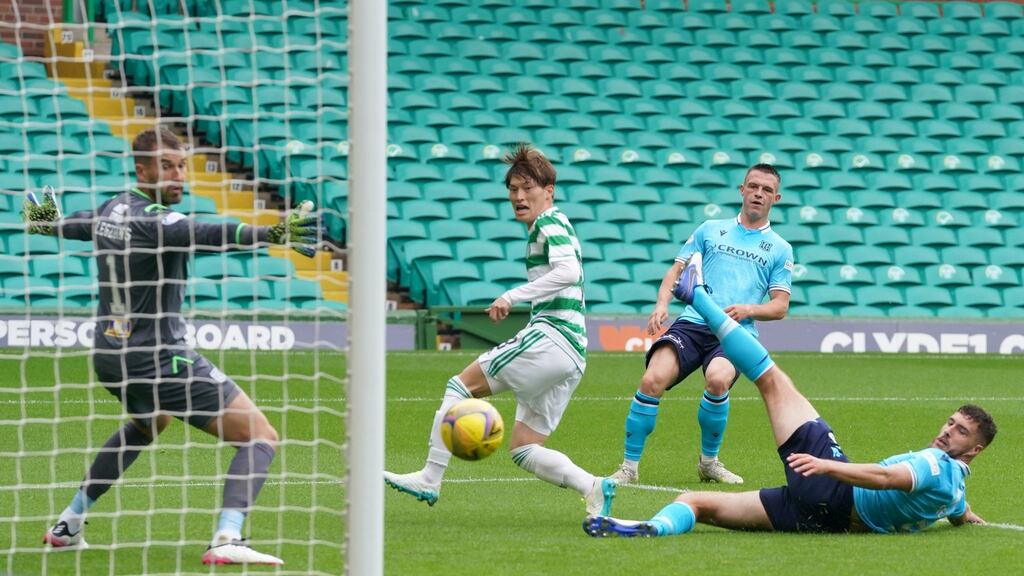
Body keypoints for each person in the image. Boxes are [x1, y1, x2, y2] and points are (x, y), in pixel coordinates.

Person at [23, 127, 319, 565]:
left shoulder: (112, 209)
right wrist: (275, 233)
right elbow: (210, 233)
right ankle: (227, 538)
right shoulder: (159, 221)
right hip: (161, 357)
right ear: (141, 169)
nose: (178, 175)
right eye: (166, 166)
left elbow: (69, 226)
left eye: (182, 166)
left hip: (109, 356)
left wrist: (45, 222)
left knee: (148, 425)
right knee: (260, 436)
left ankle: (68, 524)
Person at [585, 254, 996, 537]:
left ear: (973, 449)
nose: (946, 432)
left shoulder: (936, 466)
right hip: (821, 519)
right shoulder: (954, 488)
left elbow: (888, 477)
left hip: (832, 488)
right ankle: (653, 528)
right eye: (950, 422)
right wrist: (968, 517)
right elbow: (956, 508)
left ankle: (697, 295)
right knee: (696, 503)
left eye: (959, 432)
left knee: (770, 379)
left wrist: (827, 466)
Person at [384, 143, 616, 516]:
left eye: (528, 188)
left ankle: (430, 476)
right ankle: (593, 487)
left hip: (553, 337)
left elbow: (569, 271)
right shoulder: (555, 222)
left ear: (549, 191)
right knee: (525, 448)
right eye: (513, 189)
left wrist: (513, 294)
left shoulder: (548, 221)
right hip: (573, 353)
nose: (519, 196)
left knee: (459, 387)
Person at [610, 163, 793, 486]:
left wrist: (749, 309)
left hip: (735, 332)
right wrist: (661, 304)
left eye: (766, 190)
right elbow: (677, 271)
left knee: (718, 380)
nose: (758, 194)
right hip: (693, 323)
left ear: (775, 198)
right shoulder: (710, 229)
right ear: (742, 190)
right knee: (652, 379)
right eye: (753, 186)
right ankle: (628, 468)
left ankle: (709, 462)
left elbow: (780, 306)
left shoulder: (780, 248)